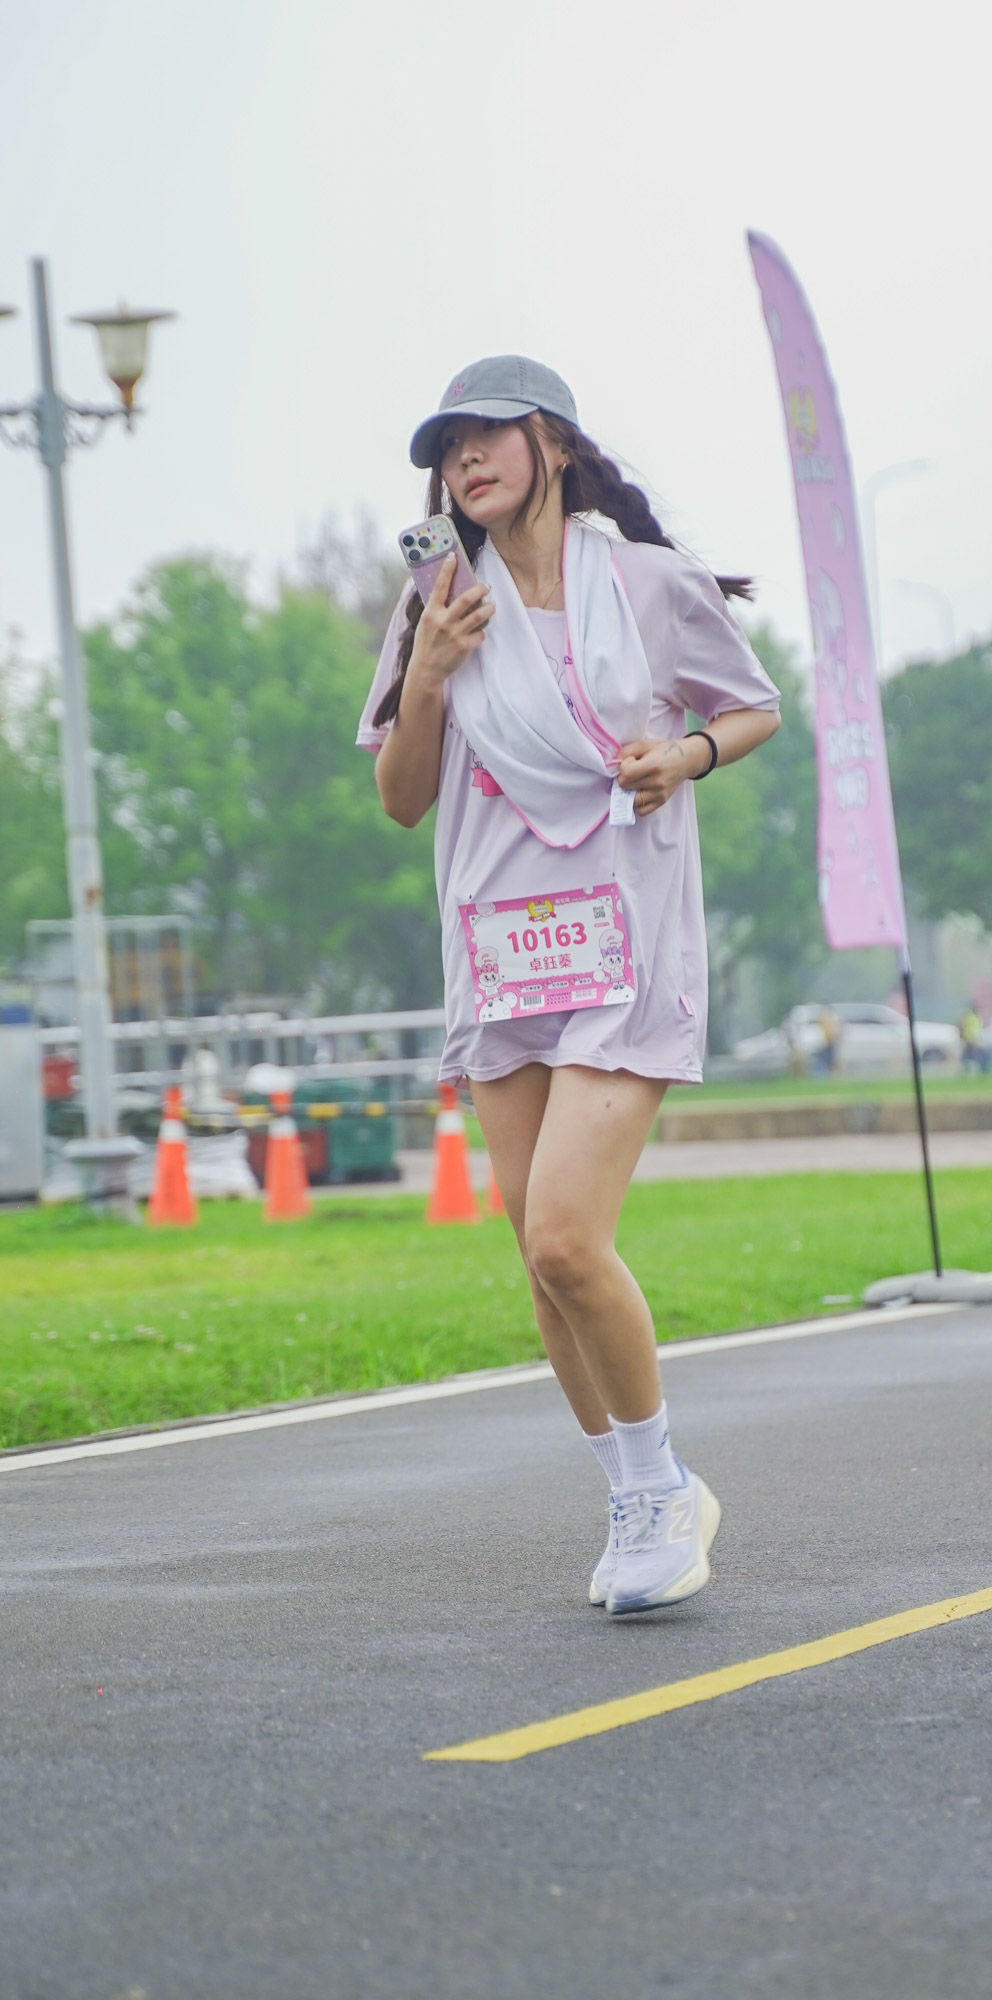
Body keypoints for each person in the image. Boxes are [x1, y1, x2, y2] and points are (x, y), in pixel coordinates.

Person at [359, 356, 781, 1616]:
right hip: (501, 953)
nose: (463, 460)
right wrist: (429, 670)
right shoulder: (439, 601)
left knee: (564, 1234)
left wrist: (686, 754)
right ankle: (636, 1491)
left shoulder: (647, 583)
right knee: (539, 1265)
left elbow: (752, 706)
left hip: (624, 945)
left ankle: (660, 1486)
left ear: (549, 441)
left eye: (486, 435)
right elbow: (400, 798)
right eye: (447, 448)